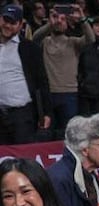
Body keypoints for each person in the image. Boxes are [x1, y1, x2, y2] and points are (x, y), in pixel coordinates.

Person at [32, 3, 94, 134]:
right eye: (57, 18)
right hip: (47, 93)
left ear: (68, 24)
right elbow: (35, 38)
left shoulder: (73, 42)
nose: (59, 21)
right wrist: (51, 23)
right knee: (45, 133)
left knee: (69, 134)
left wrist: (82, 18)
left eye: (63, 19)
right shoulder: (45, 41)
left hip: (69, 93)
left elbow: (91, 39)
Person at [0, 4, 52, 144]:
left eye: (13, 22)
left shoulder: (30, 48)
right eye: (5, 20)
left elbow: (42, 81)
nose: (8, 25)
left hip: (22, 115)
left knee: (23, 158)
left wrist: (47, 112)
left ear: (20, 24)